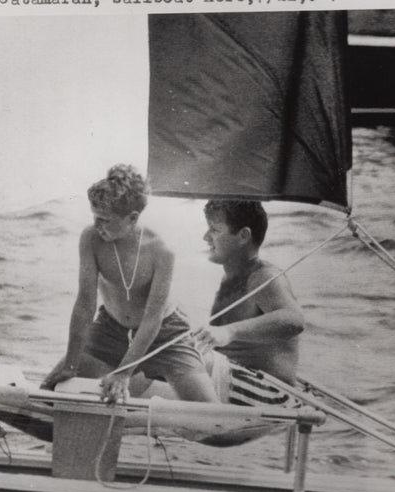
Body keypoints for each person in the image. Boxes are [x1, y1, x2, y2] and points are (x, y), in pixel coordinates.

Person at [41, 165, 218, 404]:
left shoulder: (162, 252)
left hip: (165, 333)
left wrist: (124, 372)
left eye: (105, 220)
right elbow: (85, 303)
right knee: (49, 393)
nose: (97, 225)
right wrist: (71, 363)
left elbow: (152, 318)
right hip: (109, 329)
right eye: (95, 217)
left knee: (208, 413)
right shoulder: (91, 238)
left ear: (132, 218)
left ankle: (187, 372)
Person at [194, 200, 304, 400]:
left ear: (243, 236)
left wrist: (228, 332)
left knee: (163, 362)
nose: (205, 237)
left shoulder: (263, 277)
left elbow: (294, 320)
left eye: (215, 230)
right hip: (238, 385)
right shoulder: (232, 279)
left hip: (268, 394)